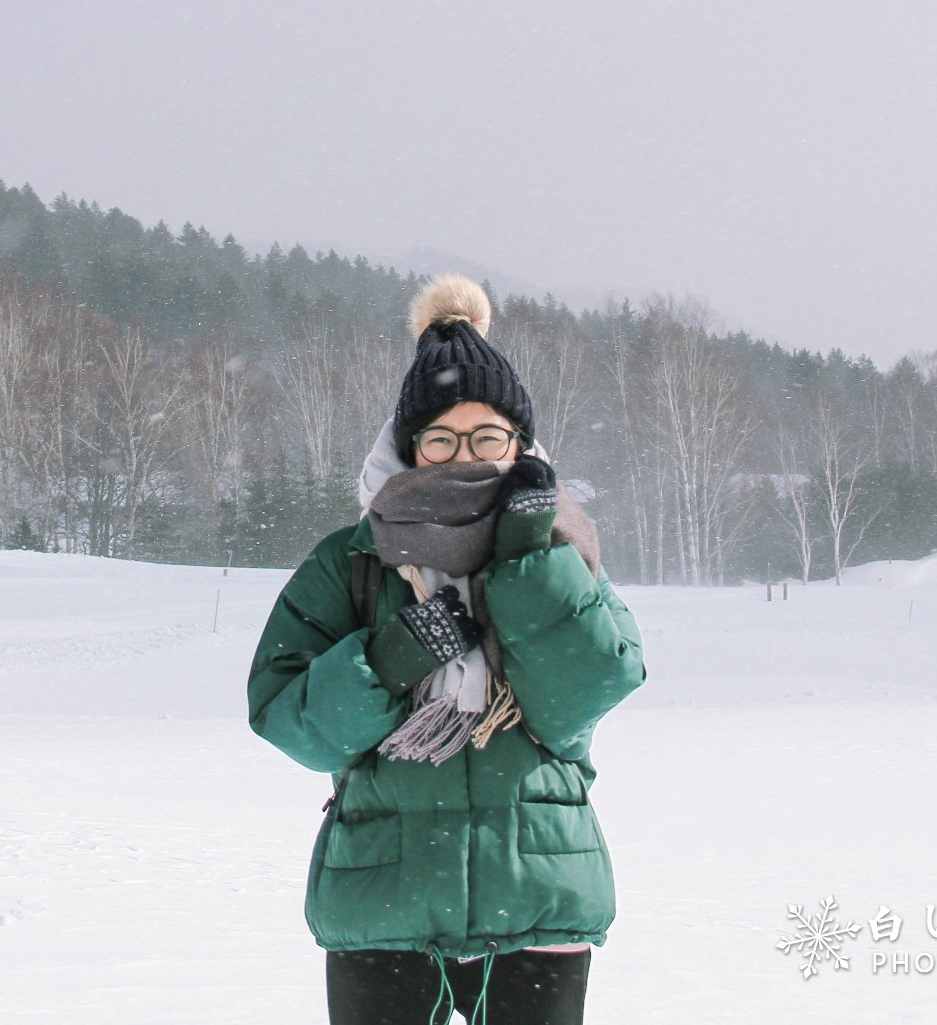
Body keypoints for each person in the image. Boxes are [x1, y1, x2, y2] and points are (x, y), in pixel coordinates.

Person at [247, 275, 646, 1025]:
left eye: (487, 435)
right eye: (442, 437)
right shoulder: (353, 560)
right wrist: (392, 657)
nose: (466, 453)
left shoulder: (564, 546)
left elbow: (585, 691)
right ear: (409, 448)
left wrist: (528, 564)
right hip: (386, 899)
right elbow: (284, 715)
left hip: (534, 892)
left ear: (520, 444)